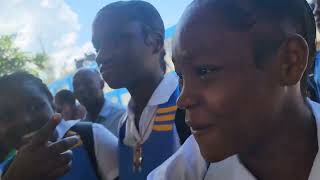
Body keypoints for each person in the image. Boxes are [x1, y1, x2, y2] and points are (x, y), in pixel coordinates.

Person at [148, 0, 320, 179]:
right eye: (181, 77)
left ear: (289, 63)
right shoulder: (183, 173)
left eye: (204, 71)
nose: (182, 100)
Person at [92, 1, 190, 179]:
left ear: (156, 42)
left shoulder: (186, 105)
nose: (101, 56)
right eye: (97, 47)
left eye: (116, 40)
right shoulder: (124, 124)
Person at [0, 72, 118, 180]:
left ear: (52, 103)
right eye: (6, 116)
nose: (26, 120)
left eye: (35, 107)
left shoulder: (91, 137)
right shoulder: (6, 171)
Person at [73, 68, 125, 137]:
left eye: (87, 82)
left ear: (101, 84)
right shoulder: (81, 126)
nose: (81, 89)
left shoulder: (122, 117)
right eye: (76, 86)